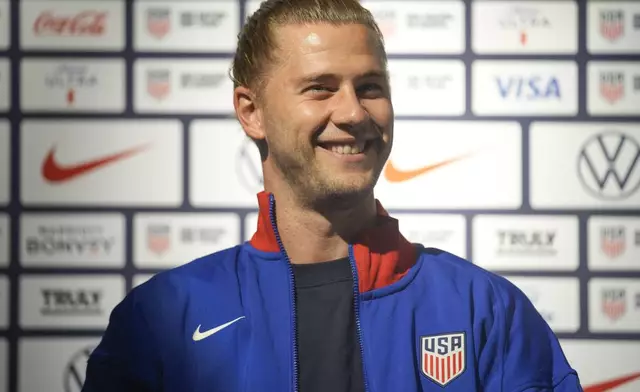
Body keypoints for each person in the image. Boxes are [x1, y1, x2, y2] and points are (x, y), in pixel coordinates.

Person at [82, 0, 583, 391]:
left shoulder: (487, 312)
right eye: (320, 88)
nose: (353, 113)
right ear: (251, 111)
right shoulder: (162, 319)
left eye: (369, 87)